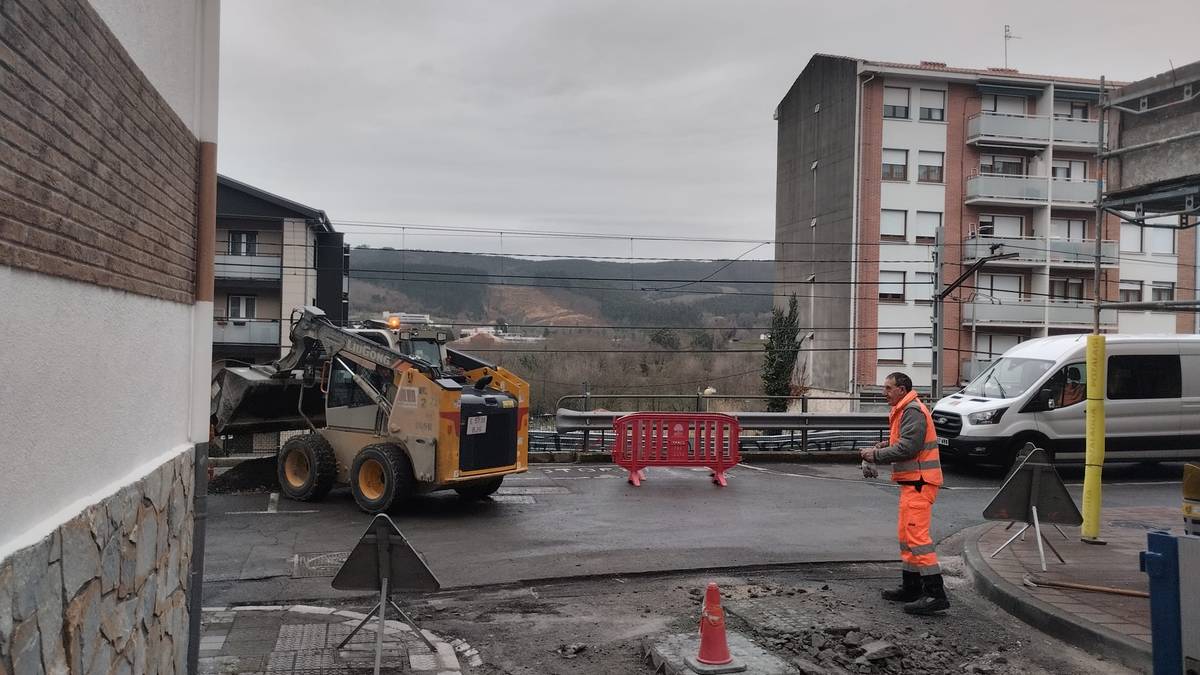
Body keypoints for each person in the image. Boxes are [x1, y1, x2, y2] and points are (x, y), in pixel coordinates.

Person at [859, 372, 949, 615]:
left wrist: (875, 455)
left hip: (920, 482)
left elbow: (909, 447)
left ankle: (935, 594)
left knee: (918, 539)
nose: (884, 393)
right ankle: (912, 587)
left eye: (888, 388)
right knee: (907, 537)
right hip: (913, 483)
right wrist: (882, 446)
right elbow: (903, 441)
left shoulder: (912, 410)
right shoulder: (904, 408)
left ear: (902, 388)